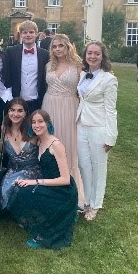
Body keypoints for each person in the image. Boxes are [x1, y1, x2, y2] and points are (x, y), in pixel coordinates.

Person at [8, 110, 78, 249]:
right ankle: (38, 220)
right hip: (49, 185)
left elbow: (65, 179)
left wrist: (35, 182)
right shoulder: (39, 141)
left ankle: (46, 231)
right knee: (19, 188)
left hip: (63, 191)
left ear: (48, 123)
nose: (36, 125)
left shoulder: (56, 145)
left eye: (40, 121)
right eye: (33, 122)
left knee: (26, 193)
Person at [77, 41, 118, 222]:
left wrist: (111, 136)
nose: (92, 56)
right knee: (84, 165)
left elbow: (111, 110)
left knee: (98, 167)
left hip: (99, 127)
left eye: (96, 54)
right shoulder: (83, 74)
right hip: (80, 125)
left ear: (102, 57)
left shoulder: (109, 79)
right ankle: (86, 200)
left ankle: (96, 204)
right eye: (89, 53)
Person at [42, 34, 84, 208]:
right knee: (50, 143)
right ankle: (51, 185)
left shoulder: (78, 66)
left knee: (68, 145)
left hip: (69, 107)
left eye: (61, 46)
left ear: (68, 47)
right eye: (54, 46)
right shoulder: (48, 66)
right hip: (50, 105)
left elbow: (85, 89)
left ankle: (72, 188)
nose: (57, 49)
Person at [0, 97, 41, 211]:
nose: (15, 114)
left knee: (15, 186)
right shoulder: (4, 129)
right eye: (12, 110)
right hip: (12, 170)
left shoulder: (33, 130)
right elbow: (1, 148)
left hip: (32, 171)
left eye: (20, 110)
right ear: (8, 112)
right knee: (4, 190)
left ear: (25, 113)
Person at [6, 20, 49, 114]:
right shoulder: (11, 52)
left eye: (31, 32)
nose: (28, 35)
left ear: (36, 34)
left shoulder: (45, 54)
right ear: (20, 35)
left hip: (37, 102)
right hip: (16, 102)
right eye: (25, 32)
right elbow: (7, 76)